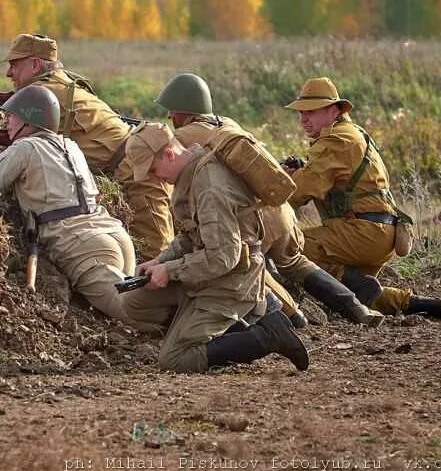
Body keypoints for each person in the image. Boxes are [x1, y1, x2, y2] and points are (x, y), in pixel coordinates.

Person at [154, 72, 384, 327]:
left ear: (183, 111)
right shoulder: (226, 123)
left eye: (172, 111)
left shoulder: (184, 137)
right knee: (295, 262)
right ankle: (356, 308)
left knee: (245, 266)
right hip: (275, 205)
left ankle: (292, 318)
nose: (169, 118)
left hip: (249, 215)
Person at [0, 85, 144, 328]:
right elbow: (41, 181)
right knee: (141, 298)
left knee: (139, 315)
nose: (7, 122)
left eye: (12, 116)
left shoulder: (25, 147)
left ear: (29, 120)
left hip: (81, 246)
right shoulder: (69, 146)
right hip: (112, 236)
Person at [0, 33, 173, 260]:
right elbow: (19, 130)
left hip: (138, 168)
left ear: (35, 65)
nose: (8, 72)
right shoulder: (61, 84)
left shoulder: (44, 93)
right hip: (130, 163)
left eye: (15, 65)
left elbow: (4, 135)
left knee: (156, 254)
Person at [119, 123, 310, 374]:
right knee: (134, 302)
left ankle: (268, 336)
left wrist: (171, 271)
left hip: (232, 281)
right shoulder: (192, 174)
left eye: (153, 169)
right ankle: (200, 327)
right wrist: (160, 262)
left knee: (175, 360)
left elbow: (224, 257)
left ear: (168, 154)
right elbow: (191, 236)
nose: (155, 177)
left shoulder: (209, 187)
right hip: (209, 274)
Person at [283, 77, 441, 319]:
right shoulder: (353, 133)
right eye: (301, 112)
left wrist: (272, 185)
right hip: (382, 234)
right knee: (358, 295)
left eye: (311, 111)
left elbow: (301, 191)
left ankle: (350, 281)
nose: (303, 119)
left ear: (334, 110)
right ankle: (427, 305)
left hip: (362, 233)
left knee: (290, 245)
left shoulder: (335, 140)